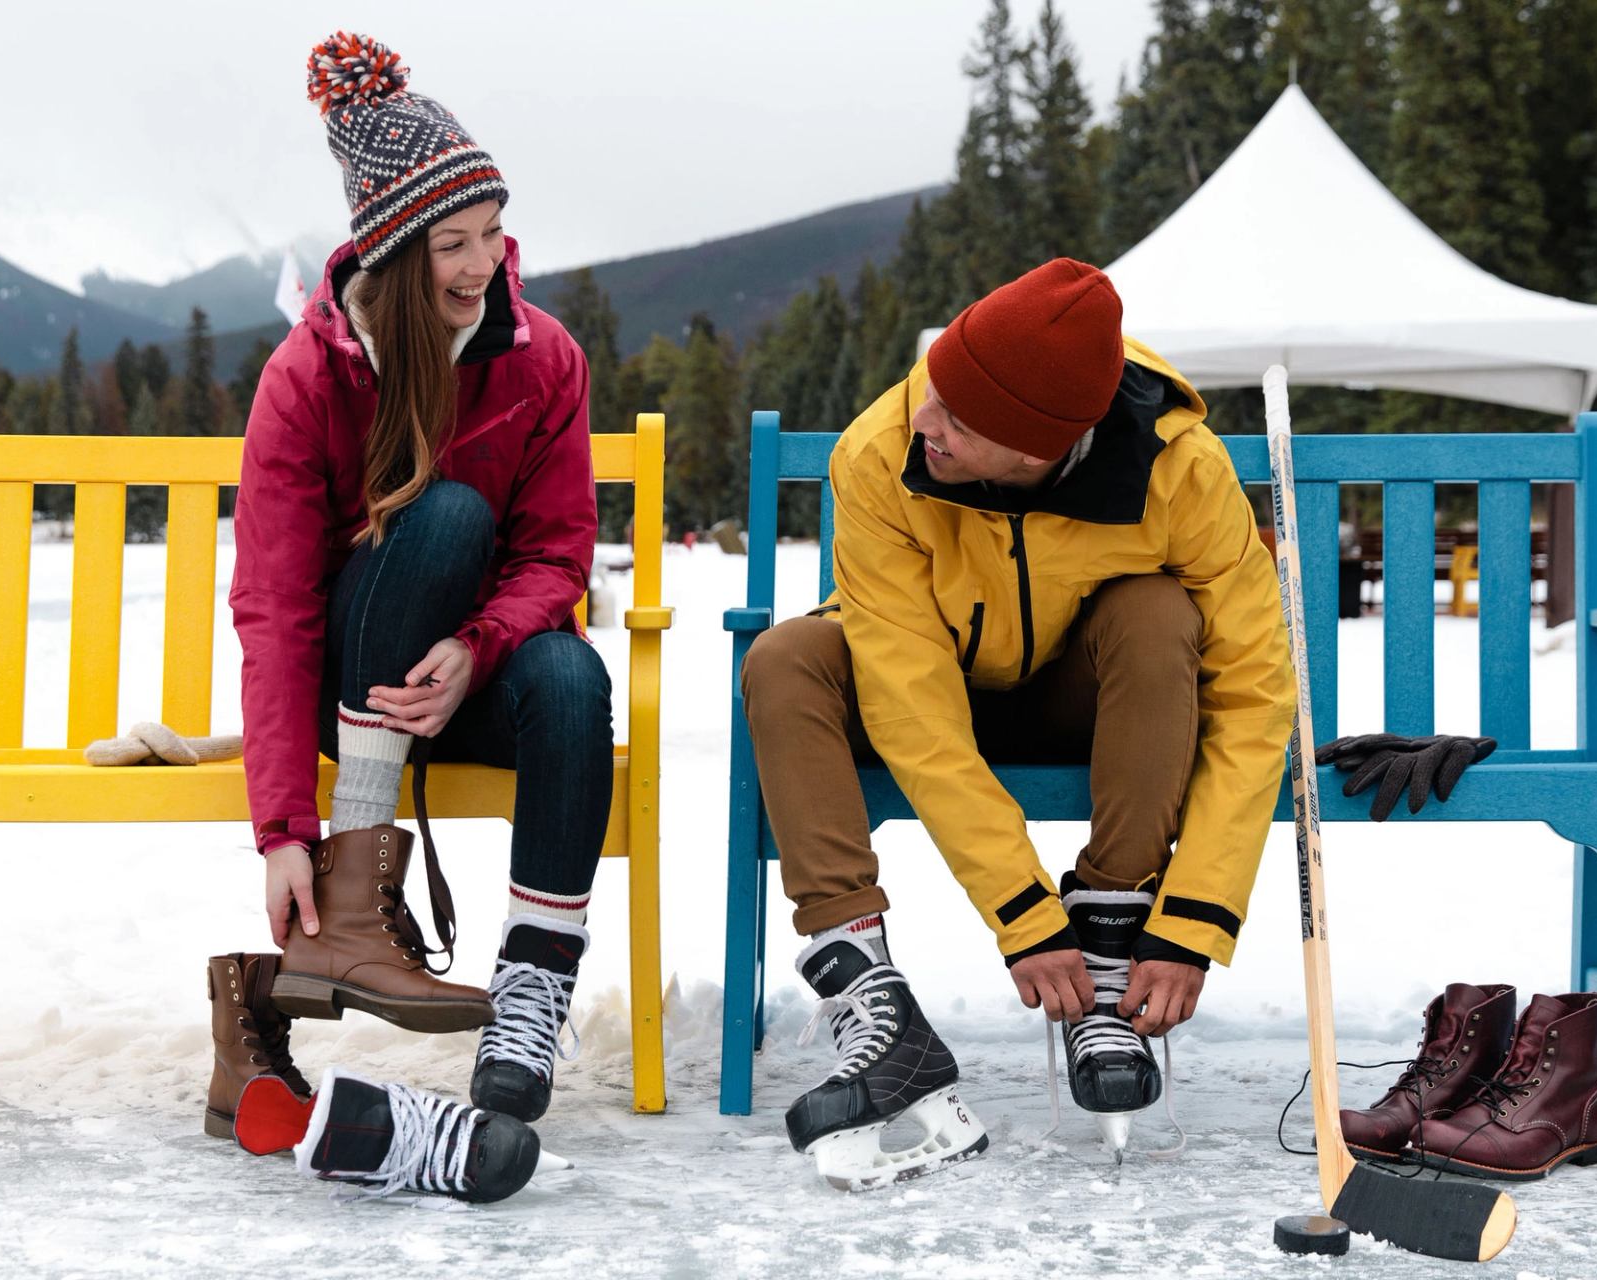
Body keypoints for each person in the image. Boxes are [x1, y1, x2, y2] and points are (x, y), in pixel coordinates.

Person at [740, 258, 1294, 1181]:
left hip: (1088, 697)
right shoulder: (881, 452)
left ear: (1042, 447)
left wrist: (1192, 918)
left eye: (957, 418)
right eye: (936, 390)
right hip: (924, 675)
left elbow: (1253, 692)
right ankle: (866, 990)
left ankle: (1111, 940)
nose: (924, 418)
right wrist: (1023, 915)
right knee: (785, 659)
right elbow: (911, 705)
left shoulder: (1181, 473)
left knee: (1159, 613)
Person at [209, 32, 609, 1203]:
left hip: (466, 675)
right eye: (453, 243)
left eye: (492, 231)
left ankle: (532, 988)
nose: (484, 262)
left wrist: (476, 647)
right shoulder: (308, 377)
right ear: (391, 252)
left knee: (573, 680)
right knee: (435, 520)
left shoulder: (544, 359)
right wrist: (286, 825)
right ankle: (352, 890)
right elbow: (277, 607)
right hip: (354, 679)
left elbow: (555, 551)